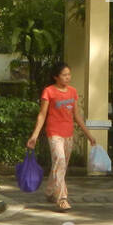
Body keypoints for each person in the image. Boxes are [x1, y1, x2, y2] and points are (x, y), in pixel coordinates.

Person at [27, 62, 97, 211]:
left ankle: (50, 191)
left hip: (68, 134)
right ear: (56, 77)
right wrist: (35, 135)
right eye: (64, 75)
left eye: (69, 74)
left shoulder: (72, 92)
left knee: (60, 165)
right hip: (54, 134)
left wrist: (89, 135)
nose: (68, 77)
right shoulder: (49, 91)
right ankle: (62, 198)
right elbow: (42, 115)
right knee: (60, 160)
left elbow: (77, 116)